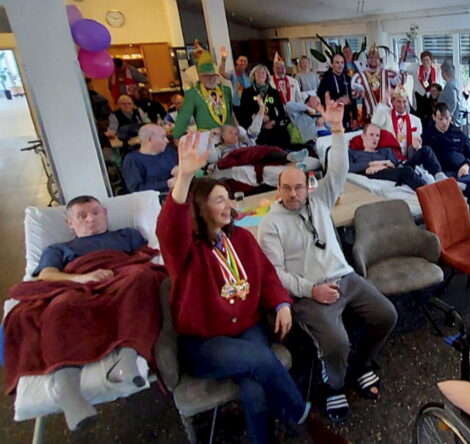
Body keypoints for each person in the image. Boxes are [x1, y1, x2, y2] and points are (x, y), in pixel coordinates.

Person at [157, 131, 310, 444]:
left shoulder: (240, 238)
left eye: (228, 198)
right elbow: (169, 229)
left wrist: (282, 304)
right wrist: (185, 176)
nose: (229, 205)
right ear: (200, 207)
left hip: (247, 329)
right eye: (219, 200)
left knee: (255, 392)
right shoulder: (186, 251)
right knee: (262, 360)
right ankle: (303, 417)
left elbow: (267, 277)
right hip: (205, 341)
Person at [258, 98, 397, 423]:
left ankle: (361, 364)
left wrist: (337, 129)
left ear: (308, 186)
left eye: (298, 187)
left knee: (386, 315)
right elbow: (276, 275)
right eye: (286, 189)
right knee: (336, 342)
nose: (294, 194)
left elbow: (340, 168)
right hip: (311, 291)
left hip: (346, 277)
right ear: (278, 191)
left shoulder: (319, 199)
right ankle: (333, 385)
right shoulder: (270, 224)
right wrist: (311, 290)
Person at [19, 195, 162, 430]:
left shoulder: (126, 235)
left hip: (120, 278)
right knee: (59, 306)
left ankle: (127, 359)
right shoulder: (59, 248)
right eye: (82, 216)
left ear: (105, 213)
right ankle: (68, 388)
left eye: (96, 212)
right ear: (70, 223)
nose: (91, 219)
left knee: (143, 277)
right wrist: (81, 278)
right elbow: (46, 275)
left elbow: (148, 257)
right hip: (78, 285)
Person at [422, 103, 470, 221]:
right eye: (440, 119)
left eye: (446, 118)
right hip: (441, 175)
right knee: (447, 197)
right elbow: (425, 157)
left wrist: (467, 165)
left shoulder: (459, 134)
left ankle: (469, 224)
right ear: (434, 118)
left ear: (450, 118)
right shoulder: (427, 135)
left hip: (461, 173)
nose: (444, 123)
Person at [349, 123, 447, 190]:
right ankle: (431, 193)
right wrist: (376, 164)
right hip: (376, 173)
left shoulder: (386, 150)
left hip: (393, 168)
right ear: (363, 136)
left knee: (426, 150)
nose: (375, 138)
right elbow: (350, 168)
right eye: (371, 135)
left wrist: (383, 165)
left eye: (377, 135)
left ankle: (442, 179)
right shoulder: (354, 153)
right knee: (407, 170)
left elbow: (394, 164)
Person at [173, 43, 235, 139]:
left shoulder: (226, 91)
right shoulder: (193, 94)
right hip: (208, 138)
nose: (210, 79)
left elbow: (230, 113)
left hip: (228, 138)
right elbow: (183, 117)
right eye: (206, 76)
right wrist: (177, 137)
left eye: (212, 75)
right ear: (200, 77)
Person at [237, 64, 292, 149]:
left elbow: (281, 113)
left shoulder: (274, 92)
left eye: (263, 73)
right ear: (254, 76)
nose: (261, 75)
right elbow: (243, 115)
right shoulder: (247, 92)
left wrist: (271, 120)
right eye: (258, 73)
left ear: (267, 76)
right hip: (256, 129)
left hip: (273, 126)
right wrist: (260, 121)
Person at [350, 45, 402, 128]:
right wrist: (360, 93)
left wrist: (402, 61)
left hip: (387, 113)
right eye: (370, 57)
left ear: (379, 60)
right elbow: (355, 95)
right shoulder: (359, 77)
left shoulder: (388, 73)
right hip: (369, 115)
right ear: (367, 60)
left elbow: (400, 83)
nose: (373, 60)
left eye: (376, 57)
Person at [122, 124, 177, 194]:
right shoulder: (132, 160)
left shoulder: (168, 152)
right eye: (163, 137)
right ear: (150, 139)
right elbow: (136, 189)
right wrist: (166, 184)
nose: (167, 141)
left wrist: (180, 169)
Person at [372, 88, 423, 158]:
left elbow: (418, 142)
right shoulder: (386, 115)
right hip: (390, 157)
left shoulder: (416, 120)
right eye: (399, 101)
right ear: (393, 102)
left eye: (404, 101)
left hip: (410, 157)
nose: (402, 105)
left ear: (408, 102)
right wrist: (384, 100)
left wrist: (418, 144)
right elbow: (375, 122)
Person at [411, 51, 440, 118]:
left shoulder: (435, 70)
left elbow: (438, 85)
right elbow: (403, 69)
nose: (425, 62)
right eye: (423, 60)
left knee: (430, 118)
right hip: (419, 97)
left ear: (431, 61)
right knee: (419, 118)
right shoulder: (416, 69)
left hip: (430, 98)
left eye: (427, 59)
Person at [437, 60, 463, 125]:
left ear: (444, 73)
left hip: (450, 121)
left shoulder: (450, 86)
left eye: (442, 71)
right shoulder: (456, 83)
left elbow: (453, 101)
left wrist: (448, 117)